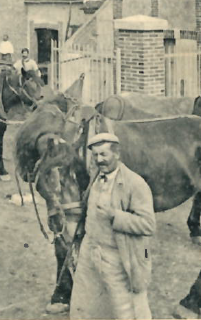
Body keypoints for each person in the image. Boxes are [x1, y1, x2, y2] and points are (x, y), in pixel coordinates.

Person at [69, 133, 155, 320]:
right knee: (85, 303)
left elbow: (148, 225)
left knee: (124, 309)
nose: (99, 160)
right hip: (90, 250)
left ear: (117, 154)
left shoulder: (135, 184)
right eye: (96, 155)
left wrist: (115, 215)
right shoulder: (96, 177)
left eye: (104, 155)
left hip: (117, 255)